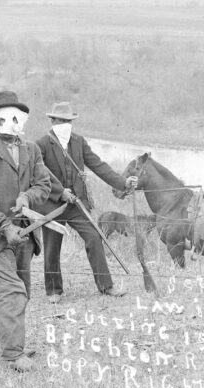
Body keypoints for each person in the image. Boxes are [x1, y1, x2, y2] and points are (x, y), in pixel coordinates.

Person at [0, 91, 55, 372]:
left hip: (26, 236)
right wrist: (5, 227)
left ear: (23, 120)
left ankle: (9, 345)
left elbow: (44, 185)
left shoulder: (33, 150)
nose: (11, 122)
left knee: (22, 292)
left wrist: (27, 198)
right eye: (4, 117)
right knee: (12, 291)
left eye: (16, 117)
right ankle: (11, 355)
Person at [34, 101, 137, 300]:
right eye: (60, 120)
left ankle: (106, 287)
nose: (64, 124)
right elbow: (39, 175)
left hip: (76, 204)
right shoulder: (41, 145)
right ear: (52, 121)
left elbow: (99, 166)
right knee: (52, 246)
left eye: (68, 121)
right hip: (53, 204)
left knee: (94, 237)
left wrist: (123, 183)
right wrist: (59, 192)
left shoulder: (78, 142)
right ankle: (54, 291)